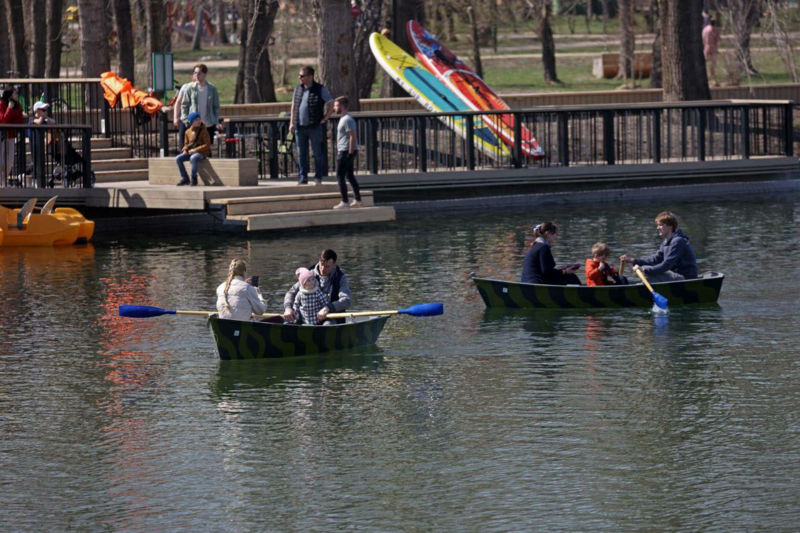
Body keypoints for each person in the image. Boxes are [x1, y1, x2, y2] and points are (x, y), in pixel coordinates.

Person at [621, 211, 698, 283]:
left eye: (661, 225)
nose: (658, 228)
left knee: (649, 274)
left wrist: (644, 269)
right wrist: (633, 260)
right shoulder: (667, 241)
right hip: (675, 275)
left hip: (686, 278)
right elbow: (654, 260)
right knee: (649, 272)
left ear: (670, 226)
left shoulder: (678, 241)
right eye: (657, 225)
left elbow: (667, 265)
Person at [289, 66, 334, 185]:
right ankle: (303, 177)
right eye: (299, 75)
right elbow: (294, 106)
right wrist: (292, 123)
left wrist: (325, 118)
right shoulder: (298, 89)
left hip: (314, 126)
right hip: (300, 127)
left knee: (317, 153)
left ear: (310, 77)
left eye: (302, 76)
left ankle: (318, 177)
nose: (300, 78)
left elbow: (331, 103)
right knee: (301, 153)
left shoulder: (320, 89)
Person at [283, 249, 352, 324]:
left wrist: (328, 308)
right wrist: (288, 308)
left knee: (327, 325)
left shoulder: (341, 278)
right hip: (306, 317)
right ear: (319, 261)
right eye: (321, 265)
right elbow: (291, 293)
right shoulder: (309, 276)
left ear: (334, 265)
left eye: (327, 267)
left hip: (330, 317)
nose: (322, 269)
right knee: (287, 323)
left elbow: (346, 300)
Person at [180, 64, 222, 144]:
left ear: (205, 74)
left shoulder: (212, 89)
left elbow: (216, 107)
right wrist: (186, 119)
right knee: (193, 146)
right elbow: (184, 105)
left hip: (208, 124)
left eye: (199, 73)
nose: (197, 75)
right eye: (195, 73)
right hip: (194, 124)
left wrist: (216, 121)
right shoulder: (189, 88)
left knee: (207, 148)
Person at [332, 96, 362, 209]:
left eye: (336, 106)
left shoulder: (347, 119)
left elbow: (352, 136)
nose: (334, 108)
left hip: (345, 151)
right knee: (349, 175)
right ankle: (358, 200)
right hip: (346, 150)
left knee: (340, 176)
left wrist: (349, 153)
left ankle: (345, 202)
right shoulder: (343, 118)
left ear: (342, 106)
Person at [175, 112, 211, 186]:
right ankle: (185, 177)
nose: (199, 121)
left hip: (202, 152)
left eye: (199, 119)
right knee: (178, 158)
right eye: (196, 120)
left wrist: (195, 150)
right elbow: (186, 144)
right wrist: (185, 150)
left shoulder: (203, 130)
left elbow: (207, 145)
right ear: (191, 122)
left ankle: (194, 178)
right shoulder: (187, 132)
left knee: (193, 157)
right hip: (191, 151)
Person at [0, 86, 25, 186]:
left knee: (10, 160)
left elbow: (20, 120)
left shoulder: (18, 105)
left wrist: (10, 120)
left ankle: (4, 179)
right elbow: (3, 120)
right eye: (15, 93)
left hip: (11, 135)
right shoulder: (2, 104)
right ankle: (2, 182)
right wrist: (9, 109)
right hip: (2, 135)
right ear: (10, 95)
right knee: (0, 159)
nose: (17, 95)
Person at [172, 70, 197, 153]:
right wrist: (176, 117)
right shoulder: (185, 87)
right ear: (191, 77)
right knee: (184, 143)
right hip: (186, 119)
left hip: (198, 120)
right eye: (195, 74)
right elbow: (178, 103)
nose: (197, 76)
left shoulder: (205, 87)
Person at [702, 19, 721, 87]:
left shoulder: (705, 29)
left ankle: (704, 74)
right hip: (713, 46)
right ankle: (712, 74)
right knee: (713, 61)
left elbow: (702, 37)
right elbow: (718, 39)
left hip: (706, 46)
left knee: (705, 61)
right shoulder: (714, 30)